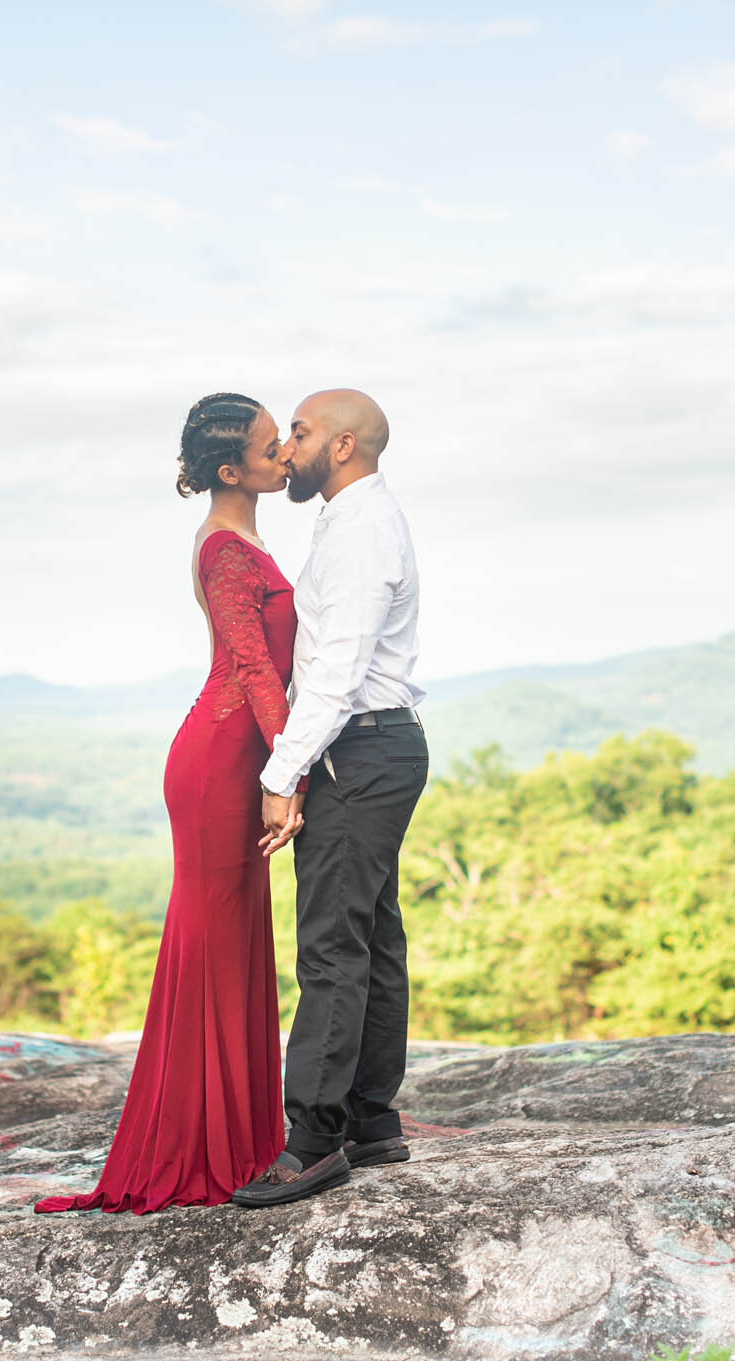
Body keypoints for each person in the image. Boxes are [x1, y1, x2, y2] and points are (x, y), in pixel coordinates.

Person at [33, 393, 296, 1213]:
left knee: (233, 945)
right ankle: (201, 1148)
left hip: (232, 754)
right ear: (231, 469)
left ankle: (243, 1136)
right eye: (268, 443)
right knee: (215, 950)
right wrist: (285, 774)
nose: (285, 451)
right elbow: (254, 670)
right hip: (222, 765)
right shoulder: (226, 551)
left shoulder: (243, 536)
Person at [232, 388, 427, 1209]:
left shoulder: (361, 531)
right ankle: (371, 1120)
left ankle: (313, 1142)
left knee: (331, 946)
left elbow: (339, 666)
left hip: (359, 745)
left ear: (342, 446)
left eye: (300, 434)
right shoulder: (354, 521)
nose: (288, 450)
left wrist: (282, 774)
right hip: (381, 743)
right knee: (373, 933)